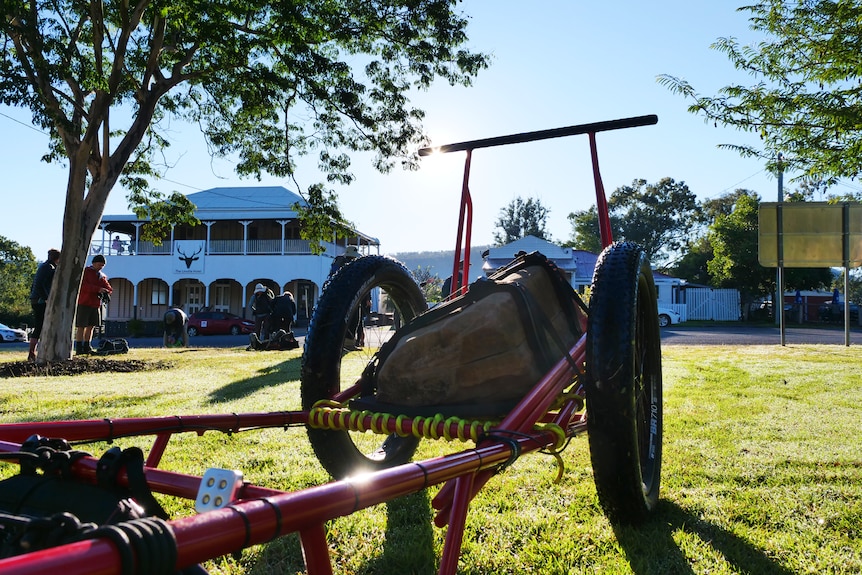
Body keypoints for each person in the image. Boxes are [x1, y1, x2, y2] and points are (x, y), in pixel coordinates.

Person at [75, 254, 112, 355]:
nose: (101, 267)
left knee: (91, 326)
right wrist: (97, 289)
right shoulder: (86, 272)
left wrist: (106, 291)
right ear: (94, 263)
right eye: (99, 264)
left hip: (95, 304)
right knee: (81, 326)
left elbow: (109, 288)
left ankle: (87, 345)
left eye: (102, 265)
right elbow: (83, 286)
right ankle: (78, 347)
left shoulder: (101, 276)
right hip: (84, 302)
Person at [28, 248, 61, 362]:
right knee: (40, 325)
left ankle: (33, 352)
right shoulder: (48, 268)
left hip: (36, 299)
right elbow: (40, 285)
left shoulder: (44, 266)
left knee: (39, 325)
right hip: (40, 301)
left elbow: (34, 285)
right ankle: (32, 352)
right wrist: (46, 298)